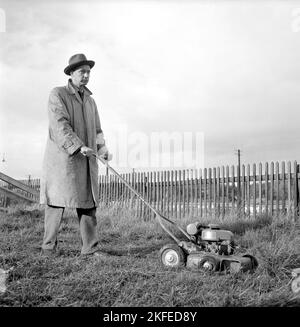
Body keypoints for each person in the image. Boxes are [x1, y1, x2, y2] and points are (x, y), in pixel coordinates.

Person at [40, 53, 112, 257]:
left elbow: (98, 130)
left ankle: (90, 249)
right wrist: (79, 146)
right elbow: (59, 125)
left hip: (87, 160)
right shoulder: (58, 94)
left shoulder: (91, 102)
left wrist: (102, 149)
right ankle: (48, 248)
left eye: (89, 72)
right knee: (56, 201)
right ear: (71, 73)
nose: (87, 75)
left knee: (88, 202)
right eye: (82, 71)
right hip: (63, 159)